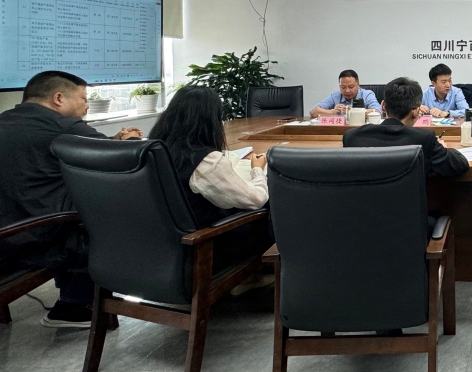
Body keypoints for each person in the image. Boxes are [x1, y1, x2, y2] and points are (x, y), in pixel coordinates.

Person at [0, 71, 142, 328]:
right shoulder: (62, 125)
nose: (87, 106)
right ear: (58, 98)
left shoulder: (6, 120)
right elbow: (118, 158)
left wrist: (113, 140)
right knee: (112, 215)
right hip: (35, 238)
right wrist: (131, 140)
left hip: (7, 236)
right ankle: (75, 304)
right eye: (83, 99)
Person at [149, 86, 273, 295]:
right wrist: (257, 170)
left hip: (162, 245)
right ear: (209, 120)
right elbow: (256, 199)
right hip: (205, 246)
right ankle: (250, 277)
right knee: (272, 205)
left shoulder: (154, 150)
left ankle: (252, 276)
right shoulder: (204, 160)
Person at [344, 77, 469, 178]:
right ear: (416, 111)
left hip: (364, 202)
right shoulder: (424, 139)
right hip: (408, 203)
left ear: (383, 106)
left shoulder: (352, 137)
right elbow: (460, 165)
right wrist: (442, 148)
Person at [310, 69, 382, 117]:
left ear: (358, 84)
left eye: (351, 87)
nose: (347, 91)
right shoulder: (335, 96)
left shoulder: (367, 94)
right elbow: (314, 112)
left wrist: (352, 112)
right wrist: (333, 112)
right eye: (343, 87)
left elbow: (378, 111)